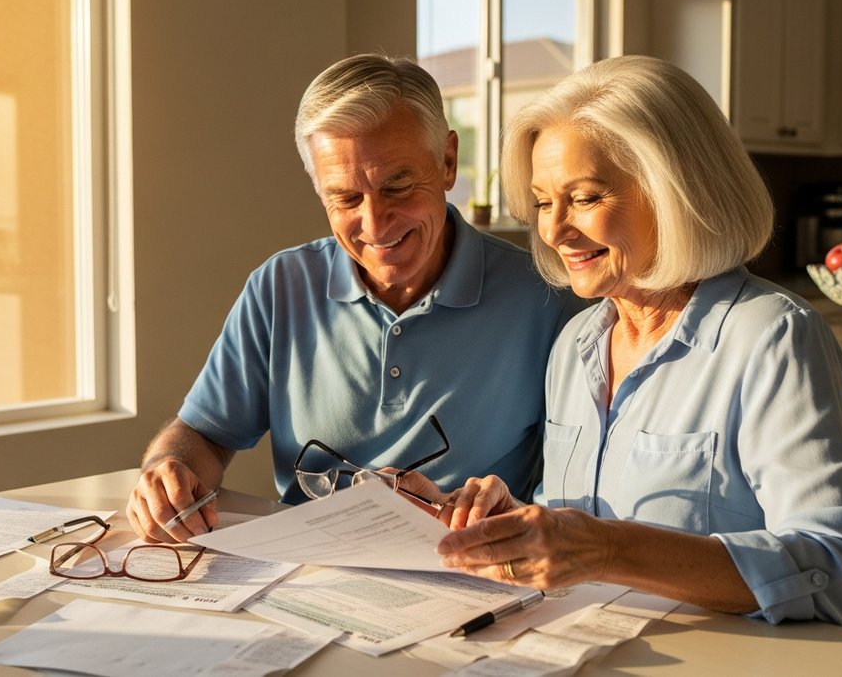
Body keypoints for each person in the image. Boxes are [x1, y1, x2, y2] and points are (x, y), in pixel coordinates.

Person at [407, 55, 842, 631]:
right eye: (542, 202)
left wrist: (611, 550)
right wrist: (516, 527)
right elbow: (581, 533)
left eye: (584, 198)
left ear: (676, 192)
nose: (554, 230)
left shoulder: (772, 338)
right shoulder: (577, 343)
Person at [125, 53, 585, 543]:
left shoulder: (548, 297)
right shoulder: (280, 286)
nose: (375, 224)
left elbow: (572, 492)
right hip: (305, 569)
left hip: (468, 572)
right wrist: (167, 469)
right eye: (344, 198)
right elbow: (205, 435)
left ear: (448, 161)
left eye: (398, 185)